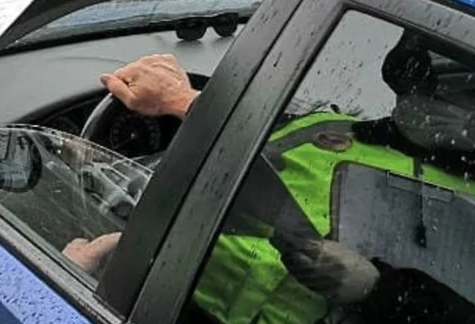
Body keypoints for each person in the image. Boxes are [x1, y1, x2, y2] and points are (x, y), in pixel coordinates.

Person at [63, 48, 475, 324]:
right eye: (413, 83)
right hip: (160, 298)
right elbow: (224, 170)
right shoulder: (329, 125)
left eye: (454, 96)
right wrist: (96, 166)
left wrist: (381, 292)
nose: (418, 99)